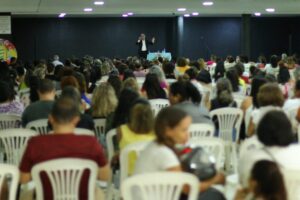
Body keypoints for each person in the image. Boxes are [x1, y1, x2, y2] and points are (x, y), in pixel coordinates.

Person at [19, 96, 111, 200]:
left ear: (51, 118)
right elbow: (105, 177)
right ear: (76, 120)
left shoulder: (35, 143)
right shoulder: (91, 143)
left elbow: (23, 179)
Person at [134, 107, 225, 199]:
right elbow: (188, 189)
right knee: (215, 195)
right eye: (184, 130)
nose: (188, 135)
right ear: (168, 130)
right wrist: (215, 179)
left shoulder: (155, 145)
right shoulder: (164, 154)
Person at [239, 110, 300, 187]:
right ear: (289, 130)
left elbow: (244, 183)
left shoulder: (251, 155)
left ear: (261, 130)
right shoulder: (297, 153)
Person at [115, 99, 156, 174]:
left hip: (128, 179)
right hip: (152, 180)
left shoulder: (121, 130)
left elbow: (121, 151)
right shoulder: (157, 132)